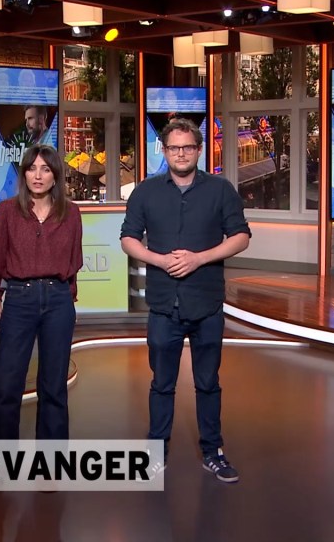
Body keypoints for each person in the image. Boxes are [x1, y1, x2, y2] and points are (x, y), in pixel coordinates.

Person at [120, 118, 251, 483]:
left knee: (208, 382)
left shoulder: (221, 190)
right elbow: (128, 238)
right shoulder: (146, 192)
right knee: (162, 383)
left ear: (199, 150)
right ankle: (155, 454)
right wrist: (160, 260)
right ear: (164, 151)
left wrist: (199, 258)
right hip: (164, 305)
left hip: (206, 303)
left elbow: (241, 236)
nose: (181, 154)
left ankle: (213, 452)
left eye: (188, 147)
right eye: (174, 148)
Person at [0, 144, 82, 442]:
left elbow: (73, 261)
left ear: (55, 175)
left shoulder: (71, 213)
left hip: (58, 300)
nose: (38, 176)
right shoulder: (7, 212)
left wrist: (68, 300)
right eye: (32, 169)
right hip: (19, 299)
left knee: (54, 386)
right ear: (24, 173)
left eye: (45, 169)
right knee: (6, 383)